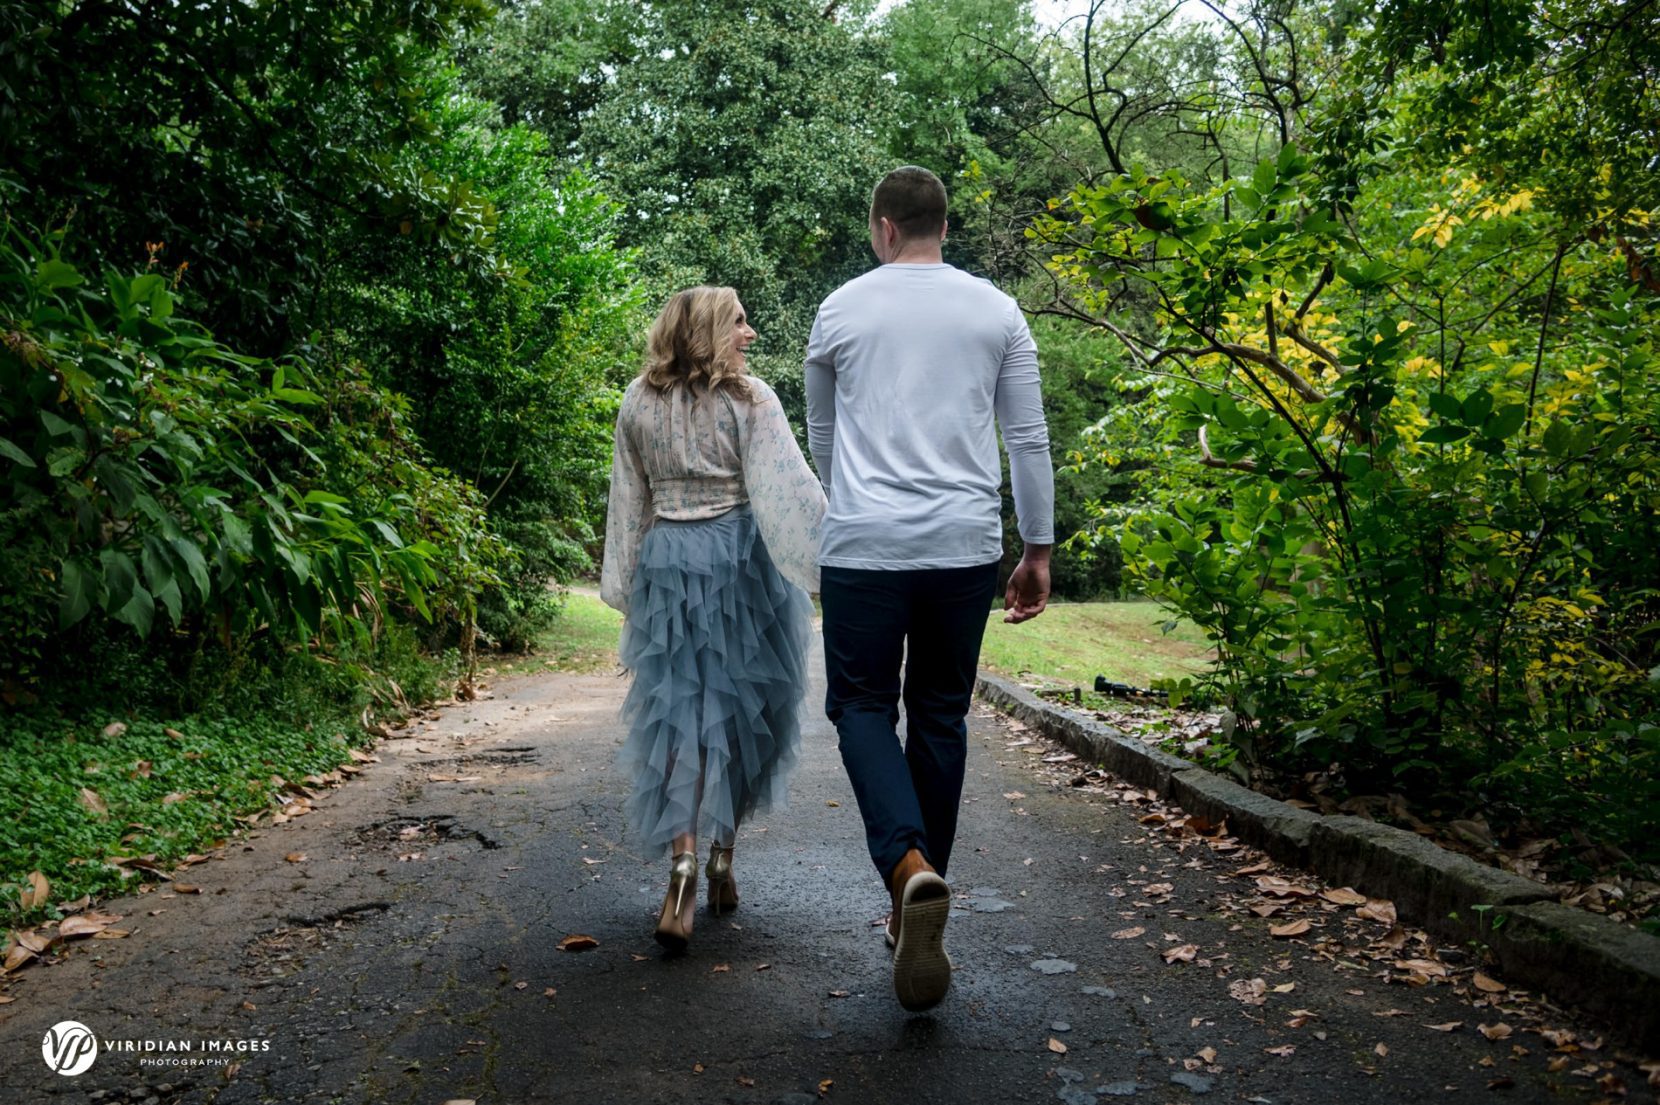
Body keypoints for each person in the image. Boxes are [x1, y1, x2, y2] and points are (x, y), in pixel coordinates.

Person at [805, 165, 1054, 1011]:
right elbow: (1025, 436)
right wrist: (1038, 549)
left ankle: (906, 871)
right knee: (940, 712)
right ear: (943, 226)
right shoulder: (997, 310)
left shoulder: (840, 309)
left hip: (865, 545)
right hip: (962, 546)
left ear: (882, 229)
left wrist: (857, 514)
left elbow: (824, 437)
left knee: (863, 707)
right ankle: (914, 892)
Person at [601, 286, 827, 952]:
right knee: (747, 708)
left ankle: (683, 867)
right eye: (738, 324)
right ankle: (725, 857)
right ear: (706, 333)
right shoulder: (751, 400)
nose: (749, 335)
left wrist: (625, 581)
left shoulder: (636, 403)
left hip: (670, 563)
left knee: (678, 715)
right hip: (741, 562)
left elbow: (627, 503)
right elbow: (790, 491)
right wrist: (838, 553)